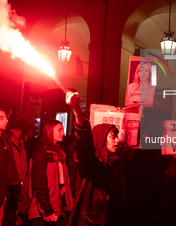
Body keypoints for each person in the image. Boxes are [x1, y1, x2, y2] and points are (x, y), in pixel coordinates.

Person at [66, 92, 124, 226]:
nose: (117, 140)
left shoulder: (115, 164)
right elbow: (83, 144)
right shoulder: (91, 164)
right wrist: (77, 110)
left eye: (117, 136)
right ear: (102, 139)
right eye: (113, 136)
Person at [28, 119, 73, 226]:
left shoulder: (58, 153)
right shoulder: (41, 153)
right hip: (45, 209)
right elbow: (39, 184)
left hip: (57, 205)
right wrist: (47, 211)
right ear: (49, 131)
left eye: (62, 130)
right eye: (59, 130)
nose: (63, 133)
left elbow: (61, 182)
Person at [3, 120, 28, 226]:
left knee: (14, 206)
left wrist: (23, 175)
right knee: (9, 207)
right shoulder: (7, 142)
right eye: (17, 131)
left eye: (20, 131)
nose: (19, 133)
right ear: (12, 130)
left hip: (18, 179)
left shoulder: (21, 142)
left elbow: (23, 160)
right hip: (10, 179)